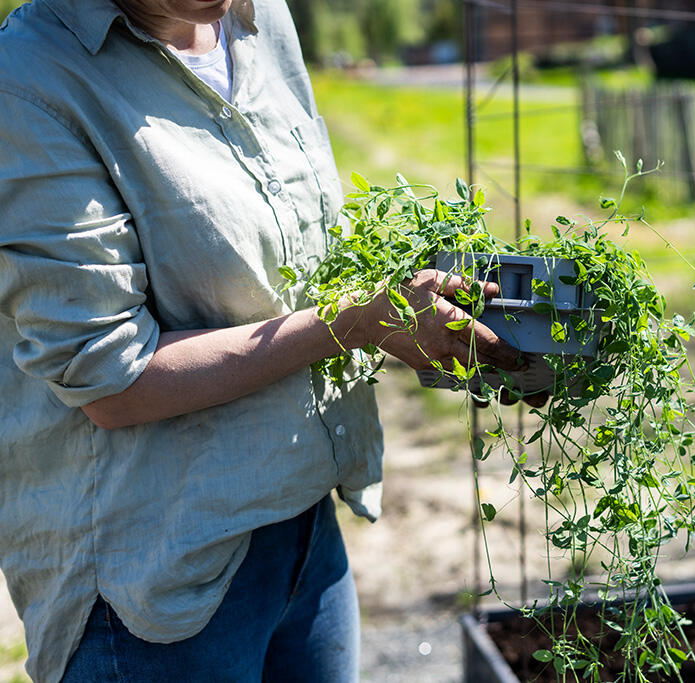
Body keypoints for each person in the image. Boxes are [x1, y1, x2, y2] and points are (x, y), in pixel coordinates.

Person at [0, 1, 522, 680]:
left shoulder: (259, 18)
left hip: (305, 527)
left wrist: (413, 300)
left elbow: (300, 246)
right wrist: (358, 321)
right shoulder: (31, 79)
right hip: (157, 578)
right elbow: (111, 379)